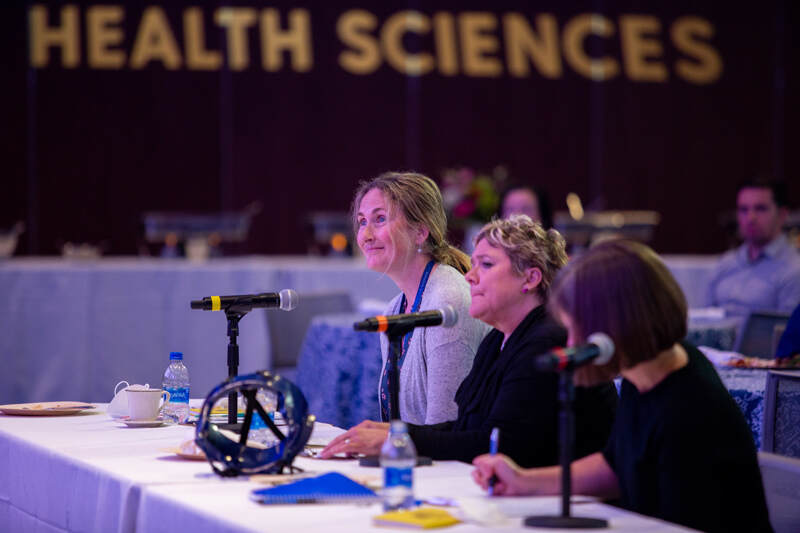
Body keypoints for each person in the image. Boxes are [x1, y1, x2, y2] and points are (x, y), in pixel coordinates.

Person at [473, 240, 773, 533]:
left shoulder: (689, 409)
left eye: (577, 328)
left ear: (616, 325)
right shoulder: (641, 373)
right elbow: (615, 465)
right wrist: (524, 481)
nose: (572, 343)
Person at [321, 215, 617, 467]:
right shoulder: (498, 340)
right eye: (473, 265)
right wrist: (398, 432)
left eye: (486, 265)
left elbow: (498, 444)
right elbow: (469, 428)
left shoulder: (548, 341)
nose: (469, 277)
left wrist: (403, 439)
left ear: (530, 279)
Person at [351, 171, 490, 425]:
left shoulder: (449, 301)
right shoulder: (395, 308)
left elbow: (447, 427)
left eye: (380, 219)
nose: (366, 235)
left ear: (420, 232)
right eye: (362, 222)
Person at [707, 178, 800, 317]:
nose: (750, 218)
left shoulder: (794, 270)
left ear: (782, 215)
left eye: (760, 209)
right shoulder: (725, 263)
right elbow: (703, 318)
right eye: (743, 209)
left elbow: (786, 333)